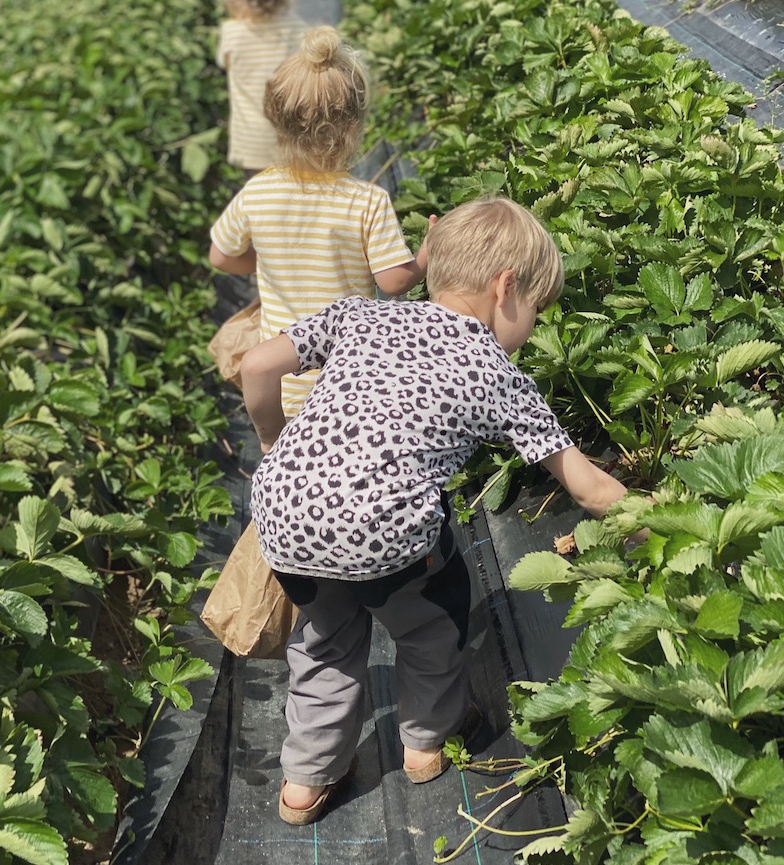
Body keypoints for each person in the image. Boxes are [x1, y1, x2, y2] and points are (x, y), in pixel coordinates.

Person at [239, 196, 635, 825]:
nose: (532, 326)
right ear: (505, 289)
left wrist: (271, 439)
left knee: (322, 643)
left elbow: (257, 364)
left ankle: (304, 783)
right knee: (433, 620)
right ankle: (425, 744)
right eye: (536, 309)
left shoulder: (361, 315)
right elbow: (586, 487)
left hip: (283, 519)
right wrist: (660, 517)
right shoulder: (494, 369)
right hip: (386, 536)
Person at [209, 25, 429, 417]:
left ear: (277, 121)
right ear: (352, 126)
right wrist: (428, 251)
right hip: (347, 385)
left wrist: (270, 265)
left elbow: (221, 257)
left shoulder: (257, 192)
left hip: (278, 387)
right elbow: (394, 282)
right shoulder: (367, 201)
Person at [216, 0, 306, 176]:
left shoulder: (232, 33)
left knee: (260, 203)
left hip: (252, 145)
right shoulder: (296, 30)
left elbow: (224, 63)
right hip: (293, 143)